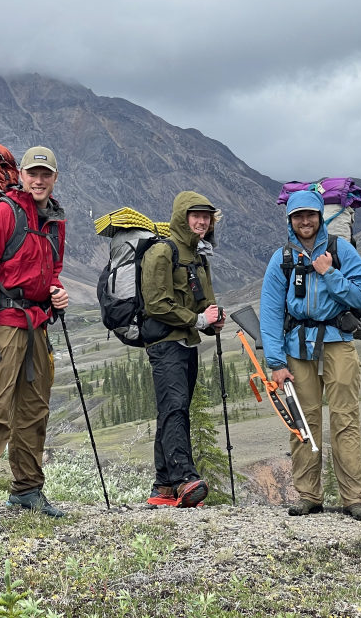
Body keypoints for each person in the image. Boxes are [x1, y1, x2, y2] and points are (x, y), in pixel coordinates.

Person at [0, 146, 69, 525]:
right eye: (33, 173)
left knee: (34, 410)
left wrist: (56, 290)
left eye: (46, 174)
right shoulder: (2, 214)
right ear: (20, 174)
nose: (39, 180)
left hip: (36, 323)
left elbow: (53, 267)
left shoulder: (55, 219)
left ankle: (27, 490)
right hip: (2, 324)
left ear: (54, 177)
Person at [259, 190, 361, 519]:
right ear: (290, 221)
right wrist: (277, 363)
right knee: (303, 422)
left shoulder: (341, 251)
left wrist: (329, 273)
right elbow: (269, 313)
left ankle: (354, 498)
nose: (305, 221)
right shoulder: (281, 258)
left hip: (338, 343)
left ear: (321, 217)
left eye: (310, 215)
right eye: (298, 217)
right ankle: (309, 496)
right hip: (296, 349)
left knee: (345, 420)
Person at [141, 191, 224, 508]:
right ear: (181, 217)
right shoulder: (162, 252)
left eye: (207, 216)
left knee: (172, 410)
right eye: (195, 215)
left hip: (187, 342)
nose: (202, 221)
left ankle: (163, 487)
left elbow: (204, 300)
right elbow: (156, 303)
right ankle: (185, 479)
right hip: (164, 342)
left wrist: (212, 318)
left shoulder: (199, 256)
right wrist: (197, 319)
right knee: (175, 408)